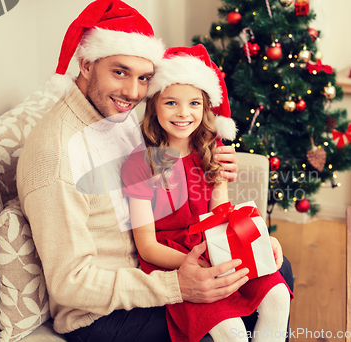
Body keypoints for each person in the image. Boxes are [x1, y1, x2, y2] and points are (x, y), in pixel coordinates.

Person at [16, 1, 293, 341]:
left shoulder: (114, 113)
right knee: (225, 324)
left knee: (277, 271)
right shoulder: (57, 156)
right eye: (120, 72)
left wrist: (238, 230)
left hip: (161, 264)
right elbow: (70, 283)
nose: (133, 92)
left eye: (144, 78)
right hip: (104, 314)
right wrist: (179, 285)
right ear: (86, 64)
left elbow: (174, 162)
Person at [121, 45, 292, 342]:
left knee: (278, 296)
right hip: (174, 259)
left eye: (194, 104)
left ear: (206, 107)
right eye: (171, 103)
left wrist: (258, 240)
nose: (184, 113)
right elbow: (147, 246)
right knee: (232, 331)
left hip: (216, 245)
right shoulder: (140, 163)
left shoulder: (209, 151)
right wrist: (197, 266)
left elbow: (220, 214)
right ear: (154, 105)